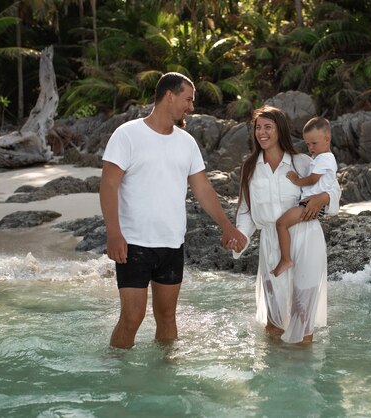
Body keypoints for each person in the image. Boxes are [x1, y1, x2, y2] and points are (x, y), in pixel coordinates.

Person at [100, 72, 246, 349]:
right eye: (188, 99)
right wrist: (113, 233)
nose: (191, 106)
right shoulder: (127, 135)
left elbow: (203, 189)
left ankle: (167, 383)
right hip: (134, 244)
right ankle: (115, 376)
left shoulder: (187, 142)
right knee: (132, 318)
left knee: (167, 317)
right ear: (169, 95)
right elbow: (108, 185)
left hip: (172, 244)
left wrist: (227, 226)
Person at [228, 105, 341, 344]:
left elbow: (332, 185)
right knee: (274, 320)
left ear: (280, 130)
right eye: (258, 127)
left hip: (306, 236)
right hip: (272, 240)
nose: (262, 132)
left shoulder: (301, 162)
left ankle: (302, 377)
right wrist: (241, 238)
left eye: (268, 127)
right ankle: (274, 376)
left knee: (302, 314)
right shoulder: (250, 167)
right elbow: (246, 211)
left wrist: (324, 198)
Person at [270, 116, 338, 277]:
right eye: (308, 144)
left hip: (309, 207)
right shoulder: (318, 158)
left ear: (327, 139)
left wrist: (296, 180)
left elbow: (316, 180)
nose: (310, 148)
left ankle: (286, 259)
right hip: (307, 206)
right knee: (282, 224)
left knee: (281, 224)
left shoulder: (324, 158)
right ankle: (286, 259)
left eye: (314, 143)